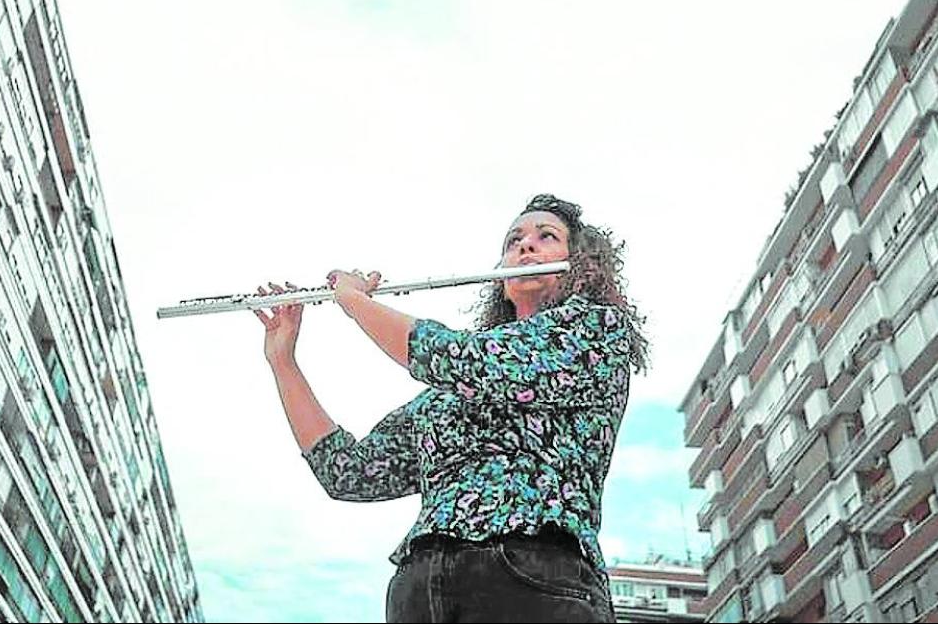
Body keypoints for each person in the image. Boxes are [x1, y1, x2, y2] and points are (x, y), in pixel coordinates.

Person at [253, 194, 648, 623]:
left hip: (536, 575)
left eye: (546, 236)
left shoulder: (596, 330)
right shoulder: (449, 394)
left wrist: (356, 303)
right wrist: (283, 362)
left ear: (580, 261)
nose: (525, 245)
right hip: (422, 588)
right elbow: (350, 472)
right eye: (513, 240)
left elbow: (460, 359)